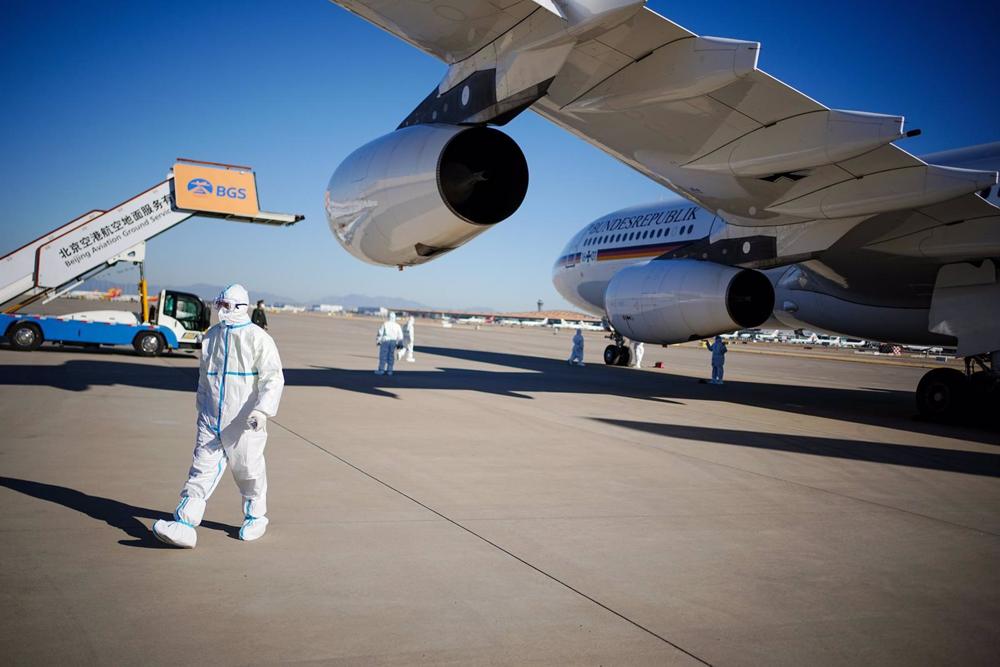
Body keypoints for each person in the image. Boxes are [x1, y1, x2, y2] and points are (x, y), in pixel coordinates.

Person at [152, 284, 284, 548]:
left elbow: (273, 378)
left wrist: (262, 410)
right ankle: (184, 524)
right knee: (201, 469)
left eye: (225, 305)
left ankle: (256, 517)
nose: (220, 310)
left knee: (248, 470)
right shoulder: (211, 336)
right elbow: (204, 375)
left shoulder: (257, 338)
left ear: (239, 307)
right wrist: (201, 404)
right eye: (219, 305)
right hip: (211, 418)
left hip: (244, 420)